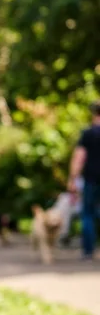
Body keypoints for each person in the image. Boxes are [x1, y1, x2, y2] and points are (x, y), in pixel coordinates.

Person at [68, 100, 100, 260]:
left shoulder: (88, 133)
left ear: (94, 113)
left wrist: (73, 178)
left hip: (91, 179)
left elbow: (79, 157)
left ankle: (88, 251)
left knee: (88, 214)